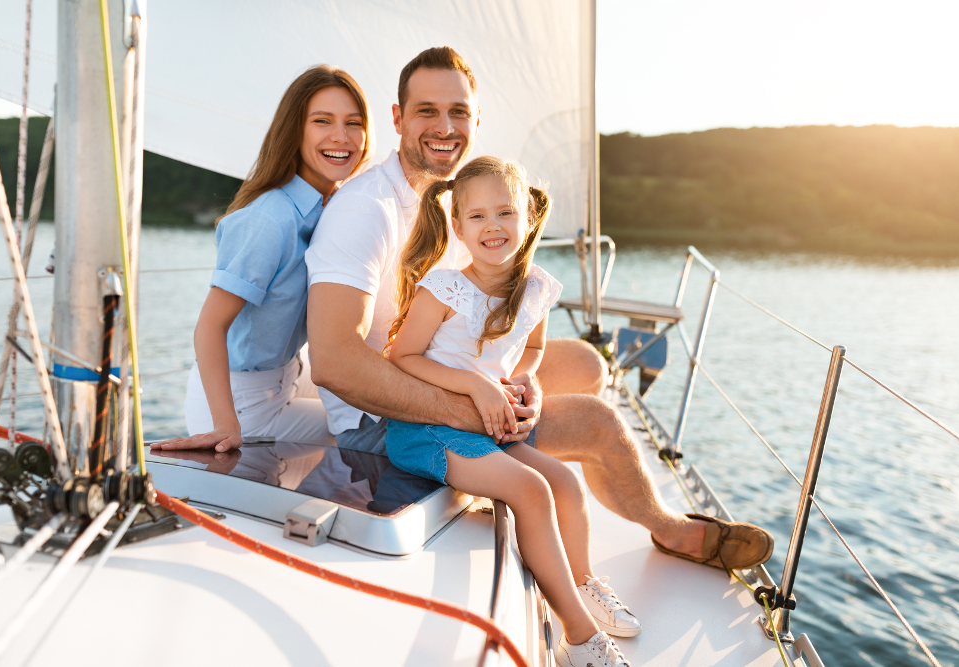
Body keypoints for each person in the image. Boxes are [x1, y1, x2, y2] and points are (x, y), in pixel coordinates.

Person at [305, 45, 774, 579]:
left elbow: (496, 324)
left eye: (458, 111)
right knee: (598, 422)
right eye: (427, 111)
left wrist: (526, 382)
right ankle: (672, 530)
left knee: (587, 367)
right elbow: (336, 364)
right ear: (398, 119)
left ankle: (503, 465)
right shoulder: (366, 210)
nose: (445, 125)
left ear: (476, 121)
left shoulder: (449, 201)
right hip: (379, 414)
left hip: (448, 368)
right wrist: (474, 404)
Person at [384, 155, 636, 666]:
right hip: (426, 428)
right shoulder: (444, 289)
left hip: (488, 426)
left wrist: (528, 383)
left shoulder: (537, 288)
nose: (492, 227)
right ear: (457, 226)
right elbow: (401, 357)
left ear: (526, 218)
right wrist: (475, 385)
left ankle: (582, 582)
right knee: (532, 489)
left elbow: (534, 350)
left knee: (564, 483)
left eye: (505, 213)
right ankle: (579, 636)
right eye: (476, 216)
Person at [152, 65, 372, 453]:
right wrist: (225, 424)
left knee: (379, 404)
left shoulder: (332, 210)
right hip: (240, 403)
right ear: (295, 130)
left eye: (353, 123)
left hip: (289, 375)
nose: (341, 137)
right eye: (322, 121)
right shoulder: (270, 218)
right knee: (367, 433)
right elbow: (209, 326)